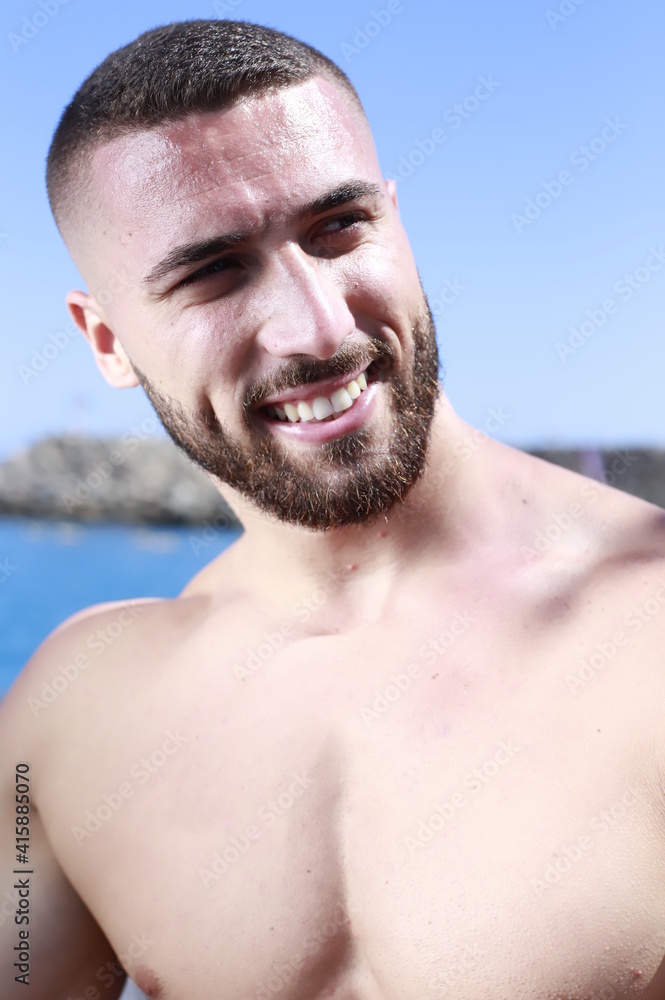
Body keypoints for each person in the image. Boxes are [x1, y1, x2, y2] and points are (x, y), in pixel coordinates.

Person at [2, 18, 665, 1000]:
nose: (316, 326)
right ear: (106, 340)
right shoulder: (71, 720)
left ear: (397, 222)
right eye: (212, 271)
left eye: (338, 228)